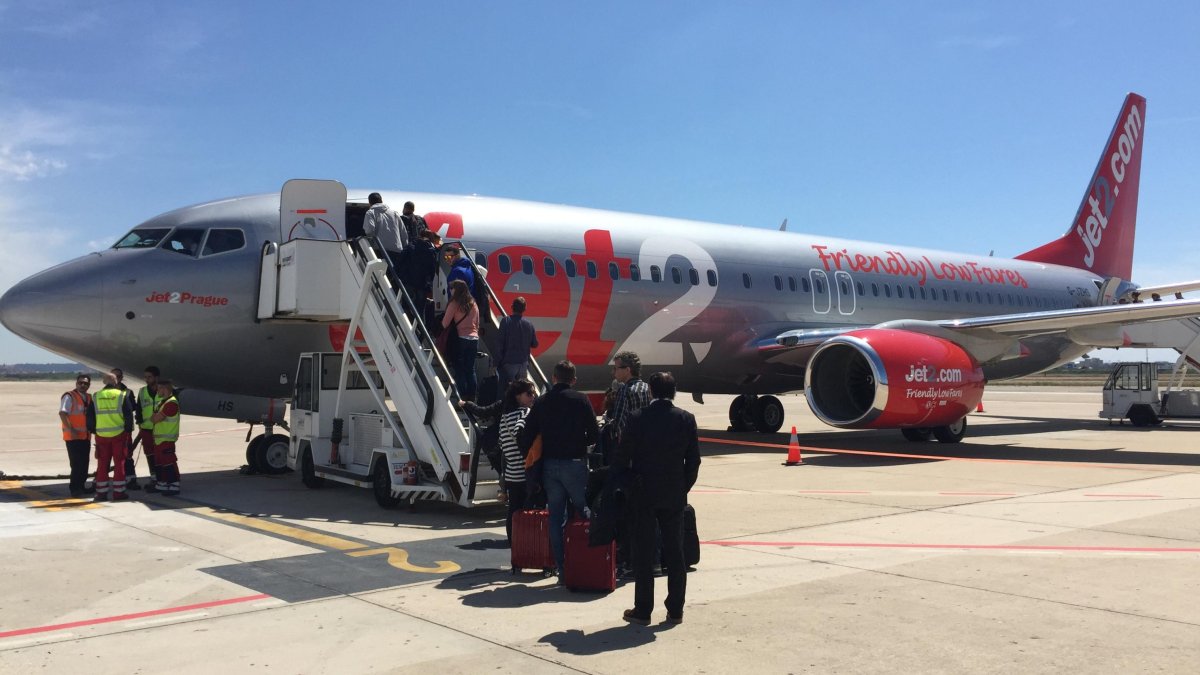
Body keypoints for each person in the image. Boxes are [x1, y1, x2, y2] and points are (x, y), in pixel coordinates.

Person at [615, 371, 700, 625]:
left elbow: (622, 458)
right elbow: (693, 461)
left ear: (650, 391)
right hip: (673, 493)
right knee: (675, 552)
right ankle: (675, 609)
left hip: (644, 493)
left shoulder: (637, 418)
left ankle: (643, 609)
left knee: (644, 551)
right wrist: (683, 487)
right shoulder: (685, 418)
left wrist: (630, 485)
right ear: (674, 392)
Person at [520, 360, 598, 580]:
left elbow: (527, 434)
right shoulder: (581, 400)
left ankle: (562, 570)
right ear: (573, 380)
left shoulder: (542, 402)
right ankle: (587, 563)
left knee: (555, 517)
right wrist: (580, 444)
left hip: (550, 465)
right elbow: (594, 433)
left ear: (553, 378)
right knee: (584, 510)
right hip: (574, 463)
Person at [463, 379, 537, 544]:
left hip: (511, 474)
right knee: (529, 509)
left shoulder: (504, 417)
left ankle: (513, 541)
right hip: (525, 471)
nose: (533, 396)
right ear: (518, 396)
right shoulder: (525, 413)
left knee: (513, 510)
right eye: (529, 394)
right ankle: (526, 542)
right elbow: (520, 433)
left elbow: (502, 444)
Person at [87, 370, 135, 502]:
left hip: (101, 435)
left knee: (102, 464)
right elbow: (128, 415)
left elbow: (90, 416)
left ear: (104, 382)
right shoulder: (121, 395)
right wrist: (127, 431)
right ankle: (119, 492)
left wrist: (94, 430)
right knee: (119, 463)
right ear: (116, 382)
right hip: (118, 435)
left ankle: (101, 493)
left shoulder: (96, 396)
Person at [442, 279, 480, 402]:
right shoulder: (473, 303)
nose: (450, 291)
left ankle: (463, 397)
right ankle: (472, 397)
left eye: (451, 288)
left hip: (461, 338)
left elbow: (445, 323)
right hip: (474, 339)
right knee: (470, 369)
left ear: (456, 290)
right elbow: (477, 323)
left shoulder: (455, 303)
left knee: (459, 368)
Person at [494, 296, 539, 399]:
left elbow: (499, 343)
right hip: (523, 364)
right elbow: (535, 344)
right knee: (521, 392)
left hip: (509, 363)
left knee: (505, 392)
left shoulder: (506, 321)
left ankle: (504, 409)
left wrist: (495, 363)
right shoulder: (529, 324)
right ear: (524, 309)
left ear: (512, 307)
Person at [59, 373, 93, 497]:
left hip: (85, 436)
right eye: (80, 383)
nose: (83, 385)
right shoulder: (69, 396)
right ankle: (74, 488)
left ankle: (81, 486)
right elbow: (62, 413)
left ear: (89, 385)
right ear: (76, 383)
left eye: (86, 383)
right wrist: (71, 429)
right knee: (76, 464)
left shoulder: (89, 397)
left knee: (84, 463)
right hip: (73, 437)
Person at [610, 351, 651, 447]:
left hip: (631, 447)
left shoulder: (625, 391)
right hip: (649, 444)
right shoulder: (648, 388)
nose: (613, 372)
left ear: (627, 370)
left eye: (616, 368)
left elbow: (618, 425)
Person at [150, 379, 182, 496]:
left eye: (159, 389)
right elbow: (154, 418)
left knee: (169, 463)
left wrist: (154, 417)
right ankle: (161, 484)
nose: (157, 391)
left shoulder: (171, 403)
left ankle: (174, 484)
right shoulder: (163, 402)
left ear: (164, 389)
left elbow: (155, 419)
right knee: (159, 463)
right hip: (159, 440)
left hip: (166, 439)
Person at [112, 368, 141, 490]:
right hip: (110, 429)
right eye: (114, 376)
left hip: (125, 429)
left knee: (127, 454)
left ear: (121, 378)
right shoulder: (104, 393)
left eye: (118, 376)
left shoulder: (128, 392)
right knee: (111, 455)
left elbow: (133, 408)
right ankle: (116, 478)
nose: (116, 379)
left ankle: (131, 479)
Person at [135, 366, 162, 493]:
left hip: (161, 429)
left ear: (156, 377)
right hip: (146, 429)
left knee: (161, 455)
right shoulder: (142, 392)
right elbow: (139, 409)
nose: (147, 379)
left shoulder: (163, 391)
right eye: (145, 377)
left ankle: (162, 479)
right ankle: (154, 478)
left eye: (149, 377)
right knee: (150, 455)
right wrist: (140, 422)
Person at [363, 192, 407, 268]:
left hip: (380, 250)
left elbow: (369, 231)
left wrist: (369, 245)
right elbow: (403, 233)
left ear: (369, 203)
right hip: (397, 251)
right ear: (381, 200)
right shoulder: (394, 213)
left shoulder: (370, 213)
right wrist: (405, 250)